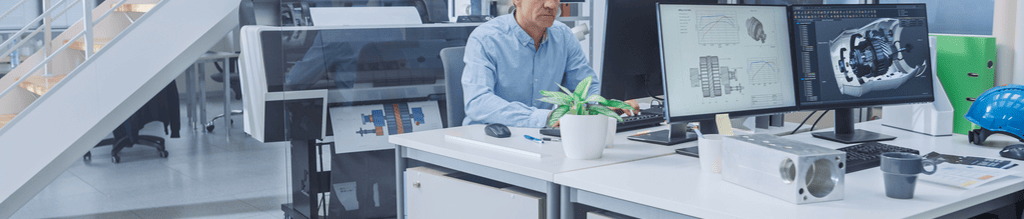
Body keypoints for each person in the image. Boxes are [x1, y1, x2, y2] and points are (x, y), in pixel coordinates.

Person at [461, 0, 639, 128]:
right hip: (486, 139)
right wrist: (547, 117)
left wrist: (606, 103)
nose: (552, 5)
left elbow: (585, 88)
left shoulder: (563, 36)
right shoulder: (486, 38)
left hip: (538, 138)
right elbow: (478, 102)